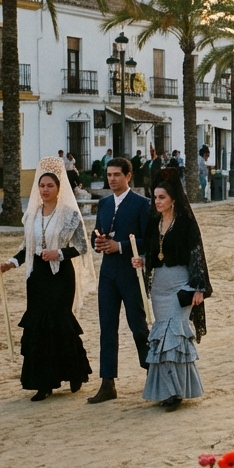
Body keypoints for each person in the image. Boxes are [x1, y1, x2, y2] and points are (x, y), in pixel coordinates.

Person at [0, 157, 94, 401]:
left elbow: (82, 247)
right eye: (42, 186)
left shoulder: (69, 214)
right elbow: (26, 247)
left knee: (59, 323)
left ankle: (74, 372)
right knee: (39, 326)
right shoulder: (32, 215)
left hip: (60, 276)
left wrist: (58, 253)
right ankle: (43, 382)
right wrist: (11, 262)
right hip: (37, 277)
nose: (45, 190)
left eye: (50, 185)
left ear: (59, 188)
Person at [133, 169, 211, 412]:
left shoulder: (185, 222)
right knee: (161, 338)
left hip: (181, 284)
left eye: (162, 198)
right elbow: (151, 252)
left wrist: (199, 288)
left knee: (174, 336)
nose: (157, 202)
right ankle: (167, 391)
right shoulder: (153, 222)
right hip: (159, 287)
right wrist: (141, 260)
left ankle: (177, 392)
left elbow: (196, 254)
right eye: (155, 197)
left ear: (173, 199)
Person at [88, 157, 153, 404]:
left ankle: (152, 373)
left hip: (131, 273)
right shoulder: (104, 203)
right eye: (109, 175)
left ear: (128, 176)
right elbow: (97, 232)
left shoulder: (142, 204)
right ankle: (107, 383)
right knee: (107, 328)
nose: (112, 179)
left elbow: (149, 241)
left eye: (117, 174)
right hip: (108, 273)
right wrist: (99, 243)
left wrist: (121, 246)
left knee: (138, 326)